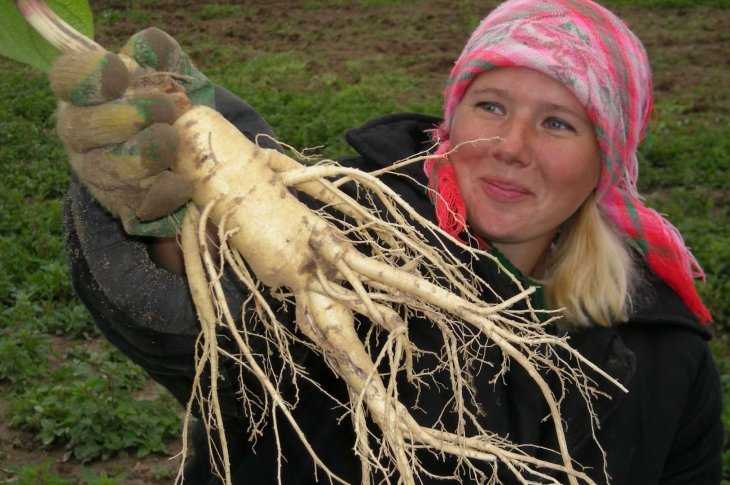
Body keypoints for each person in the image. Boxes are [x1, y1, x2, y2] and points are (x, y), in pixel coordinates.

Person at [58, 0, 722, 483]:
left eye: (557, 123)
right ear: (451, 115)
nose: (510, 146)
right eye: (491, 105)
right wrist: (168, 225)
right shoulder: (343, 233)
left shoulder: (667, 351)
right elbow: (212, 333)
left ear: (607, 160)